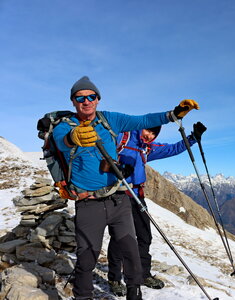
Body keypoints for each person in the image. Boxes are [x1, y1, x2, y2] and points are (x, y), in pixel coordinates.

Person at [52, 76, 199, 300]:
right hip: (88, 203)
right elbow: (62, 142)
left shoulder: (110, 120)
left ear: (98, 99)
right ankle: (84, 296)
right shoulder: (63, 127)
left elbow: (142, 120)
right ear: (73, 101)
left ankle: (134, 294)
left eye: (91, 96)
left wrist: (173, 114)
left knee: (131, 252)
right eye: (80, 97)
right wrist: (74, 137)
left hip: (119, 199)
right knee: (87, 257)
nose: (86, 101)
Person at [106, 122, 207, 296]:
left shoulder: (147, 148)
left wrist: (192, 139)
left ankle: (143, 274)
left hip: (138, 196)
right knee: (119, 238)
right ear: (141, 127)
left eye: (154, 134)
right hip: (119, 195)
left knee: (145, 236)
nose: (150, 136)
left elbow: (172, 149)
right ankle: (114, 278)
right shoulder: (122, 139)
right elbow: (99, 152)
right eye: (148, 131)